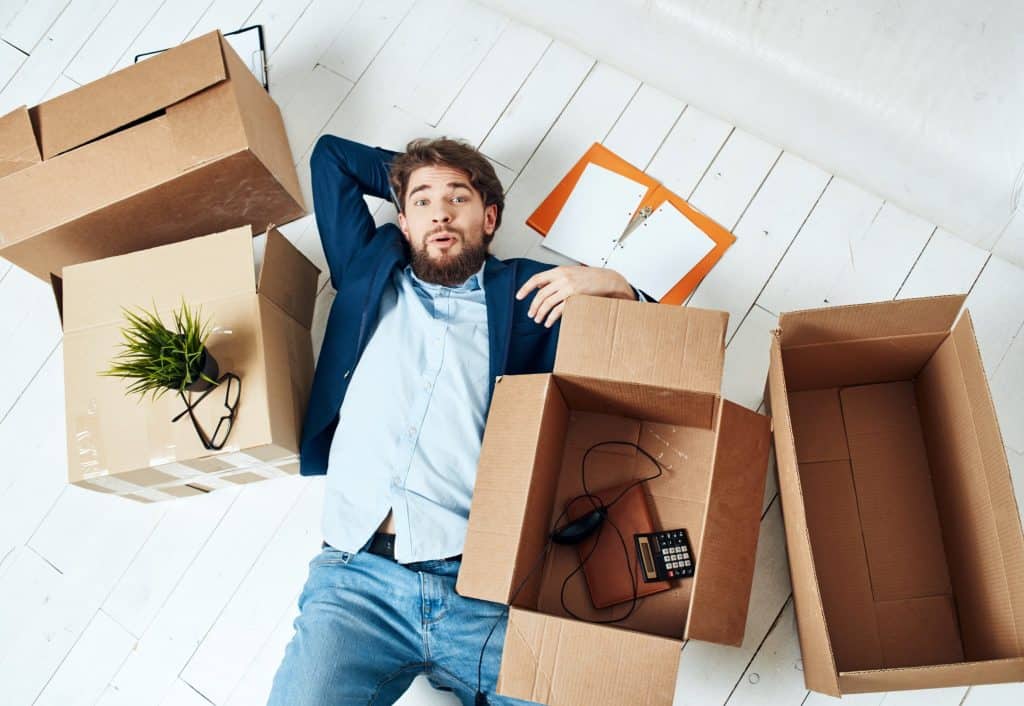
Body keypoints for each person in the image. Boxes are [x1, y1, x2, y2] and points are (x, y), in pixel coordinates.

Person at [267, 135, 650, 706]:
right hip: (356, 583)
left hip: (482, 590)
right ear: (400, 219)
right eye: (422, 202)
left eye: (459, 199)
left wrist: (619, 287)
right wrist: (415, 179)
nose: (440, 213)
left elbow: (656, 359)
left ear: (490, 216)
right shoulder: (368, 269)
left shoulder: (528, 293)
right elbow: (331, 158)